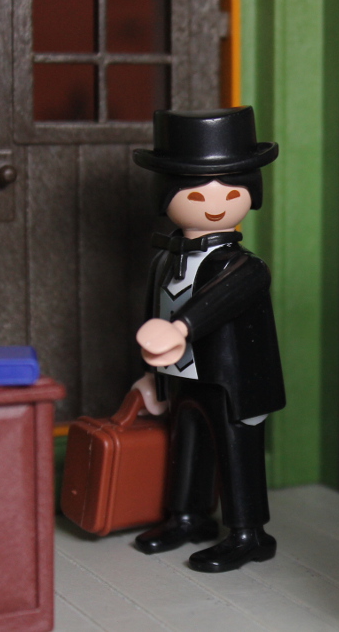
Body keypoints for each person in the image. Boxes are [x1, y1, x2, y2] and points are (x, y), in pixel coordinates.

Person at [129, 108, 286, 573]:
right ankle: (187, 515)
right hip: (182, 376)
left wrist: (181, 330)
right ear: (167, 197)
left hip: (231, 381)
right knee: (187, 446)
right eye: (196, 195)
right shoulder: (165, 260)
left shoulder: (245, 267)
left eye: (232, 194)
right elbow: (154, 313)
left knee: (237, 453)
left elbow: (216, 303)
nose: (215, 205)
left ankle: (248, 532)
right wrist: (150, 375)